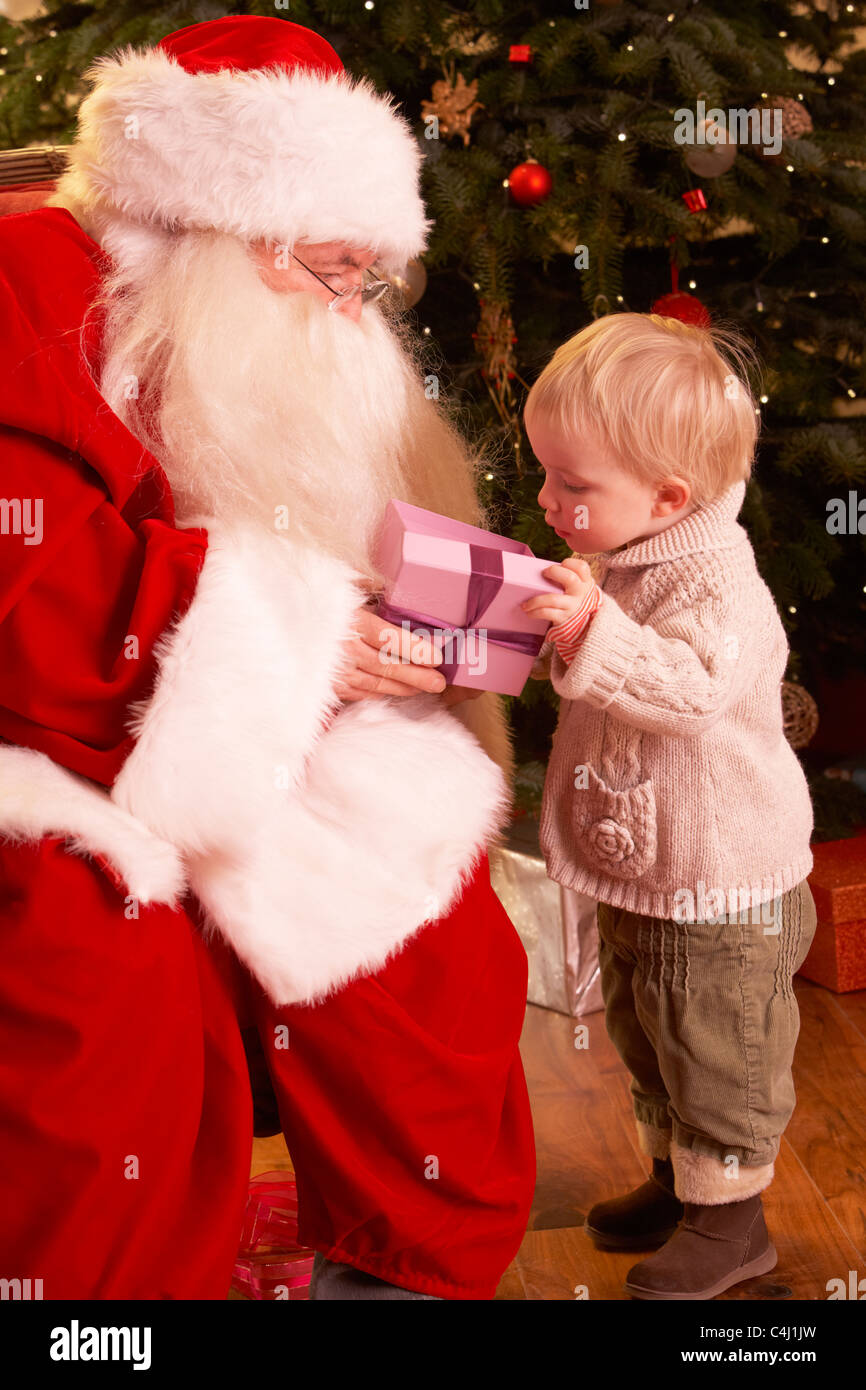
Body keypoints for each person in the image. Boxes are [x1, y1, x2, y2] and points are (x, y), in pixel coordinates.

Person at [0, 15, 535, 1300]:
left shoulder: (296, 328)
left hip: (246, 693)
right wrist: (298, 636)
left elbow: (346, 538)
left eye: (370, 278)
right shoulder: (25, 284)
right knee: (99, 971)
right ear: (222, 228)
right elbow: (30, 587)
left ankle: (397, 1269)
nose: (354, 310)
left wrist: (387, 632)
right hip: (48, 727)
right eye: (331, 270)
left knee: (430, 921)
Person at [521, 312, 817, 1300]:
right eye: (547, 474)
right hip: (650, 869)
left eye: (571, 485)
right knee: (647, 1032)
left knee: (714, 1048)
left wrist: (589, 628)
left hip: (719, 885)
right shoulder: (630, 548)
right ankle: (677, 1182)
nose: (547, 498)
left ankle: (731, 1225)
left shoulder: (716, 586)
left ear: (666, 494)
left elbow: (683, 692)